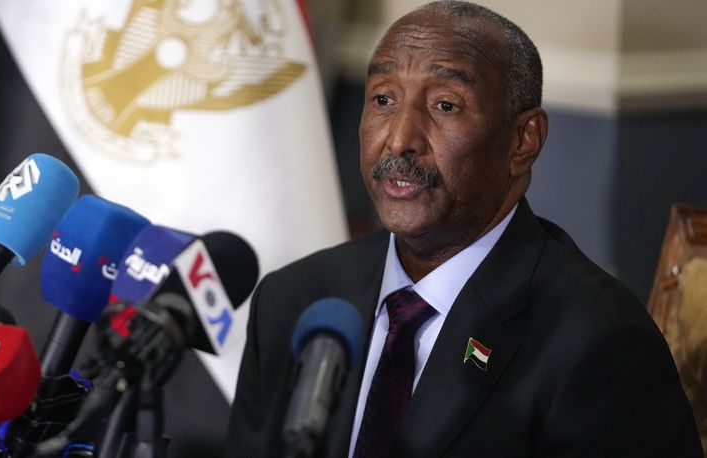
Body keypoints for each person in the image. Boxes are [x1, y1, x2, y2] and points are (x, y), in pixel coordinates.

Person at [225, 1, 702, 457]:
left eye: (446, 105)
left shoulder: (597, 343)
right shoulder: (295, 302)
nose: (399, 138)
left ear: (523, 141)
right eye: (384, 99)